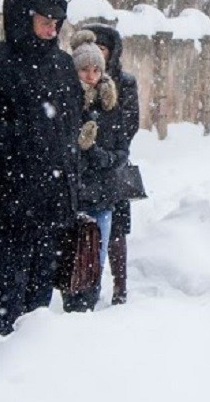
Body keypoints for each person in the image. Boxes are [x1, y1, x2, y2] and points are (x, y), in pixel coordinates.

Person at [0, 0, 84, 349]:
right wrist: (18, 136)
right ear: (22, 18)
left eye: (58, 22)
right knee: (1, 289)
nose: (53, 29)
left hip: (51, 202)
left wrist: (71, 183)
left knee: (39, 293)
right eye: (46, 20)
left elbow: (70, 125)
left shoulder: (61, 65)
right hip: (6, 201)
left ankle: (30, 362)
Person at [61, 30, 131, 312]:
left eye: (95, 69)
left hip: (102, 194)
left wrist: (93, 152)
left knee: (96, 257)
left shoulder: (111, 105)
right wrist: (76, 150)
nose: (90, 75)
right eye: (84, 70)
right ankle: (73, 303)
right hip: (71, 194)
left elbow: (121, 152)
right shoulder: (66, 102)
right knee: (70, 255)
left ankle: (88, 304)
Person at [77, 23, 140, 305]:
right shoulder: (74, 84)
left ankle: (119, 286)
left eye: (103, 49)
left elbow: (129, 125)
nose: (98, 55)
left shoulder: (122, 83)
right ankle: (81, 287)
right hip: (83, 172)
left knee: (115, 230)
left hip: (112, 167)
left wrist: (104, 153)